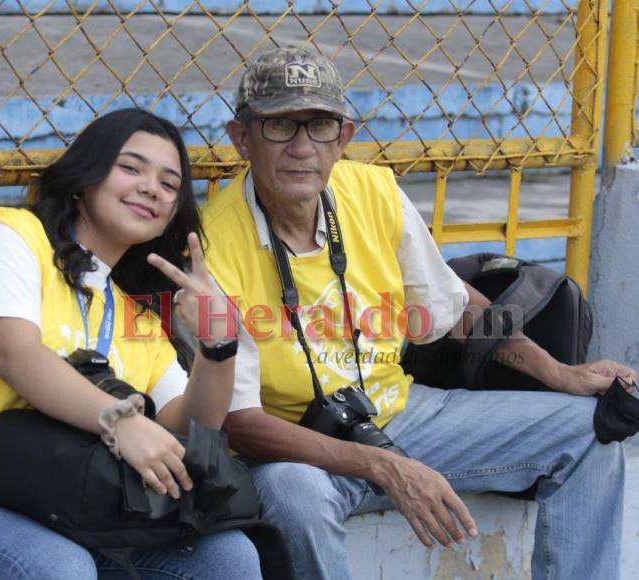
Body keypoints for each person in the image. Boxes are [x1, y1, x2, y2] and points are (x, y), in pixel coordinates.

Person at [200, 47, 638, 580]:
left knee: (590, 428)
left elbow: (456, 310)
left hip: (403, 415)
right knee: (291, 494)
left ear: (343, 138)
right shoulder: (211, 243)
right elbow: (240, 424)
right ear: (240, 137)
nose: (300, 148)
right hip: (299, 450)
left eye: (319, 126)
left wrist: (559, 373)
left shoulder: (373, 190)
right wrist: (388, 466)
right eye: (278, 126)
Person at [0, 108, 261, 580]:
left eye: (169, 183)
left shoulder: (131, 310)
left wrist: (218, 344)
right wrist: (120, 424)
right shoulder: (10, 238)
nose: (151, 188)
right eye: (131, 168)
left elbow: (190, 423)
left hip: (71, 512)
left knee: (228, 559)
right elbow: (15, 355)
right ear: (86, 177)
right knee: (60, 569)